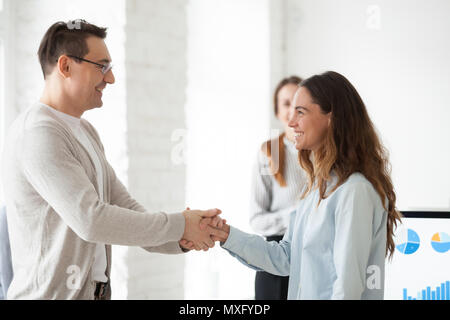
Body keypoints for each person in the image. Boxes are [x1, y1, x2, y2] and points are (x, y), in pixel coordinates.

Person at [1, 20, 225, 300]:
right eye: (102, 67)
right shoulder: (38, 133)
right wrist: (181, 223)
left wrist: (183, 236)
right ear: (66, 66)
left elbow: (124, 208)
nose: (110, 79)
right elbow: (92, 221)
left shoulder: (85, 132)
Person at [183, 71, 403, 299]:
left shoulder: (355, 191)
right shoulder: (316, 190)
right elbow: (286, 258)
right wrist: (225, 234)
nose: (291, 122)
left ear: (331, 118)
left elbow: (347, 289)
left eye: (301, 111)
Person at [249, 76, 306, 300]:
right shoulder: (268, 152)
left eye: (298, 103)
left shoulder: (324, 152)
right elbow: (256, 219)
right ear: (276, 111)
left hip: (313, 254)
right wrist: (297, 215)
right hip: (275, 257)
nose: (292, 109)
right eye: (285, 103)